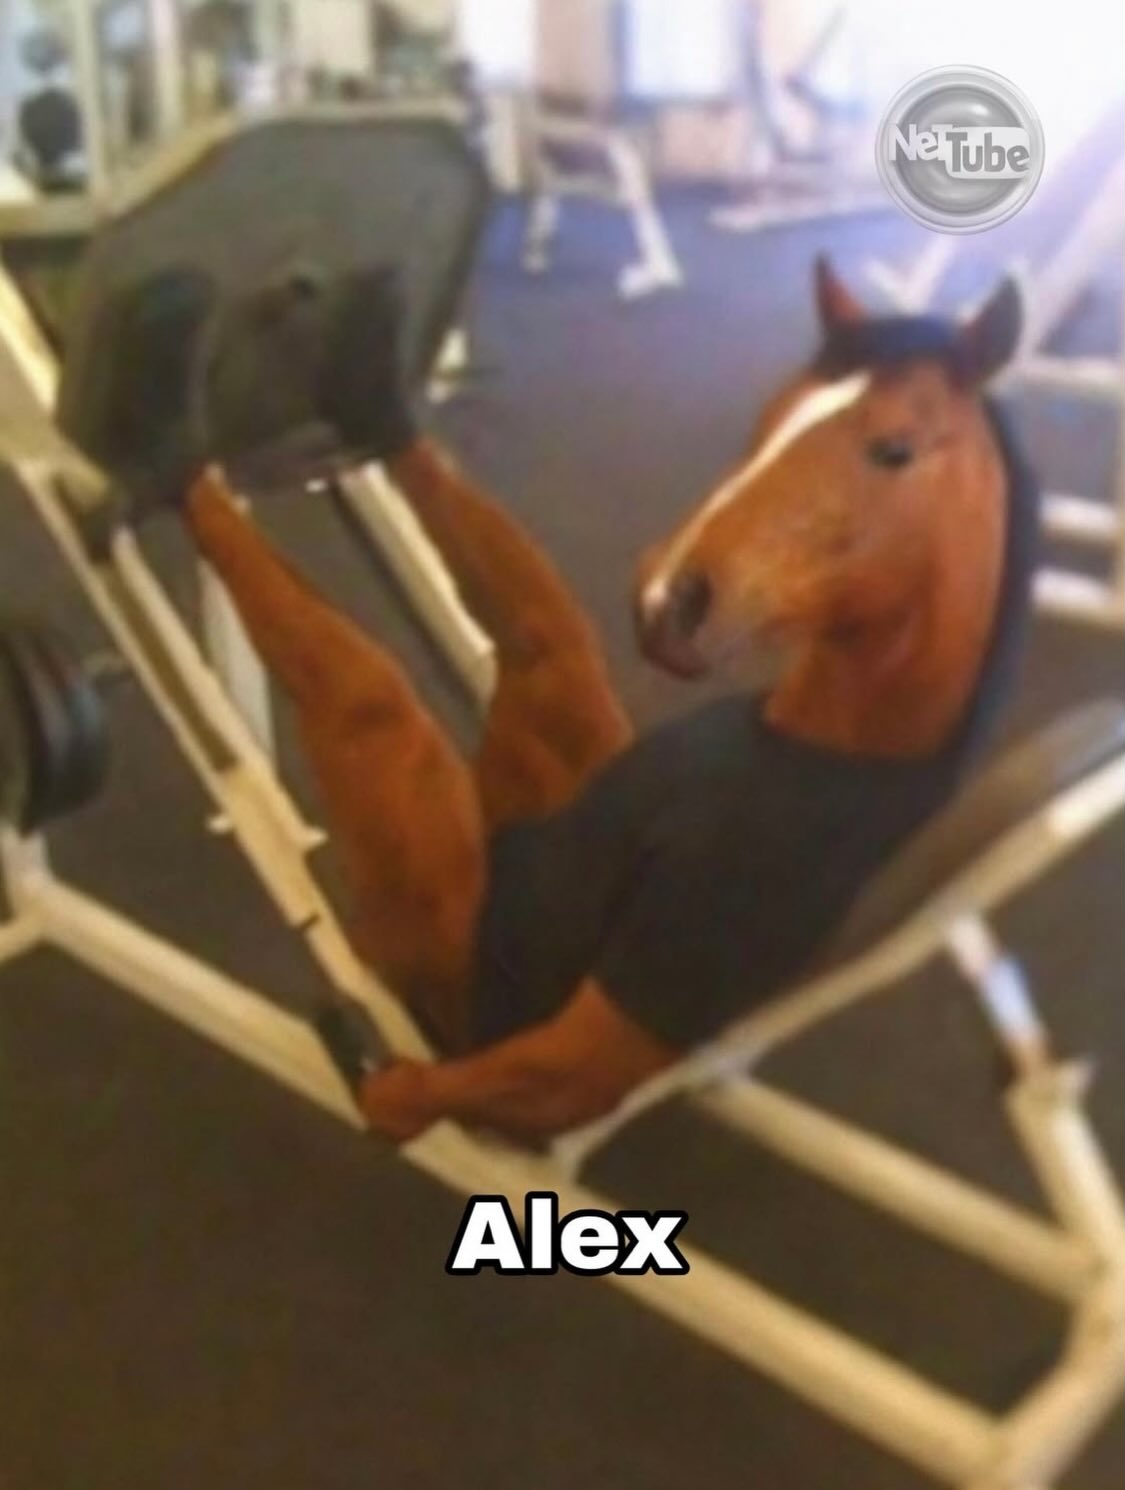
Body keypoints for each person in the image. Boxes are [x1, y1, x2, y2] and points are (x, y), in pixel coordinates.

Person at [105, 261, 1036, 1145]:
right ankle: (392, 436)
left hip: (489, 982)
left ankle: (180, 480)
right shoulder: (892, 740)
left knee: (376, 712)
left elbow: (569, 1083)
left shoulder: (758, 856)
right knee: (551, 640)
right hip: (601, 865)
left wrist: (415, 1093)